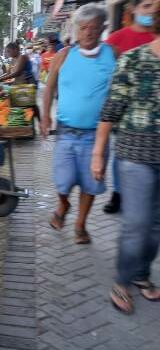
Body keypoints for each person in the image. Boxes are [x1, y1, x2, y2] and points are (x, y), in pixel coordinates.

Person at [91, 11, 160, 313]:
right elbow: (110, 110)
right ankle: (122, 280)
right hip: (136, 157)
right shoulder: (133, 59)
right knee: (137, 224)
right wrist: (98, 153)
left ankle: (142, 273)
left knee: (156, 227)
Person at [40, 3, 117, 244]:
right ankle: (63, 204)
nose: (88, 33)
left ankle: (80, 225)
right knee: (62, 181)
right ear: (75, 29)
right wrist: (45, 115)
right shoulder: (64, 56)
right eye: (83, 28)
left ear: (103, 28)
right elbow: (49, 86)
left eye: (94, 28)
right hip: (66, 132)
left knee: (90, 185)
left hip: (97, 135)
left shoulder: (112, 55)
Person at [101, 0, 159, 214]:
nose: (152, 10)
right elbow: (106, 70)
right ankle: (118, 193)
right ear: (132, 9)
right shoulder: (117, 38)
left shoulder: (155, 37)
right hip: (126, 112)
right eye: (146, 5)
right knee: (121, 155)